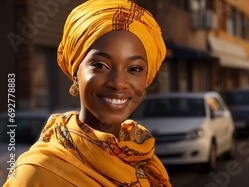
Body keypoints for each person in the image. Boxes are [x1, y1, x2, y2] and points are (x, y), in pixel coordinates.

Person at [4, 0, 172, 186]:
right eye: (100, 66)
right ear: (75, 73)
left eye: (134, 69)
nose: (118, 83)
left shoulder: (144, 160)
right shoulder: (37, 173)